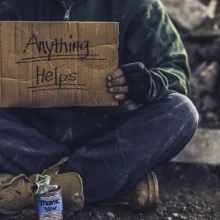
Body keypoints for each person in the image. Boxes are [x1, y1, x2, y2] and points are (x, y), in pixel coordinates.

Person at [0, 0, 199, 215]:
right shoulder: (11, 5)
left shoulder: (139, 5)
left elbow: (176, 71)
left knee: (182, 110)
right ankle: (110, 186)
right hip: (33, 136)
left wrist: (147, 83)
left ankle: (32, 188)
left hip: (107, 136)